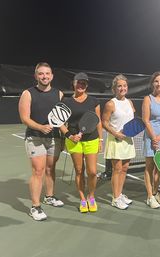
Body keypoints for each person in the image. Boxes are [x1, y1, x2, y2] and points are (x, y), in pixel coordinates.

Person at [18, 62, 64, 221]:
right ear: (36, 76)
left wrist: (66, 135)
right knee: (39, 170)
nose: (44, 76)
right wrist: (40, 127)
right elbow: (24, 118)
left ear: (52, 76)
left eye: (47, 73)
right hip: (35, 137)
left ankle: (49, 197)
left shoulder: (59, 94)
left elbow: (61, 119)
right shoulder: (28, 93)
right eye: (41, 74)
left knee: (51, 168)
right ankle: (35, 207)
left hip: (54, 138)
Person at [60, 72, 102, 213]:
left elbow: (98, 121)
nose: (81, 85)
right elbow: (61, 123)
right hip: (74, 141)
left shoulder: (93, 101)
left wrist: (100, 139)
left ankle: (91, 196)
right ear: (74, 83)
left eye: (84, 83)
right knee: (79, 170)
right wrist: (69, 136)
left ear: (87, 85)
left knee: (92, 172)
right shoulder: (66, 102)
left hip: (92, 139)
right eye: (79, 82)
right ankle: (83, 198)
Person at [102, 74, 136, 210]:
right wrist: (116, 133)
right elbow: (104, 122)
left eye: (124, 85)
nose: (122, 88)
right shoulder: (110, 104)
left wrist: (132, 131)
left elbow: (132, 120)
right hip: (115, 139)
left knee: (125, 168)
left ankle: (119, 193)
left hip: (128, 139)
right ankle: (115, 199)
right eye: (119, 86)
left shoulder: (130, 102)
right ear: (114, 88)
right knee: (117, 169)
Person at [141, 71, 160, 208]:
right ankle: (149, 197)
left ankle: (155, 192)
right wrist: (154, 137)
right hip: (150, 137)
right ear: (152, 83)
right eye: (156, 81)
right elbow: (145, 120)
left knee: (159, 166)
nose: (159, 84)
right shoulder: (148, 99)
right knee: (149, 166)